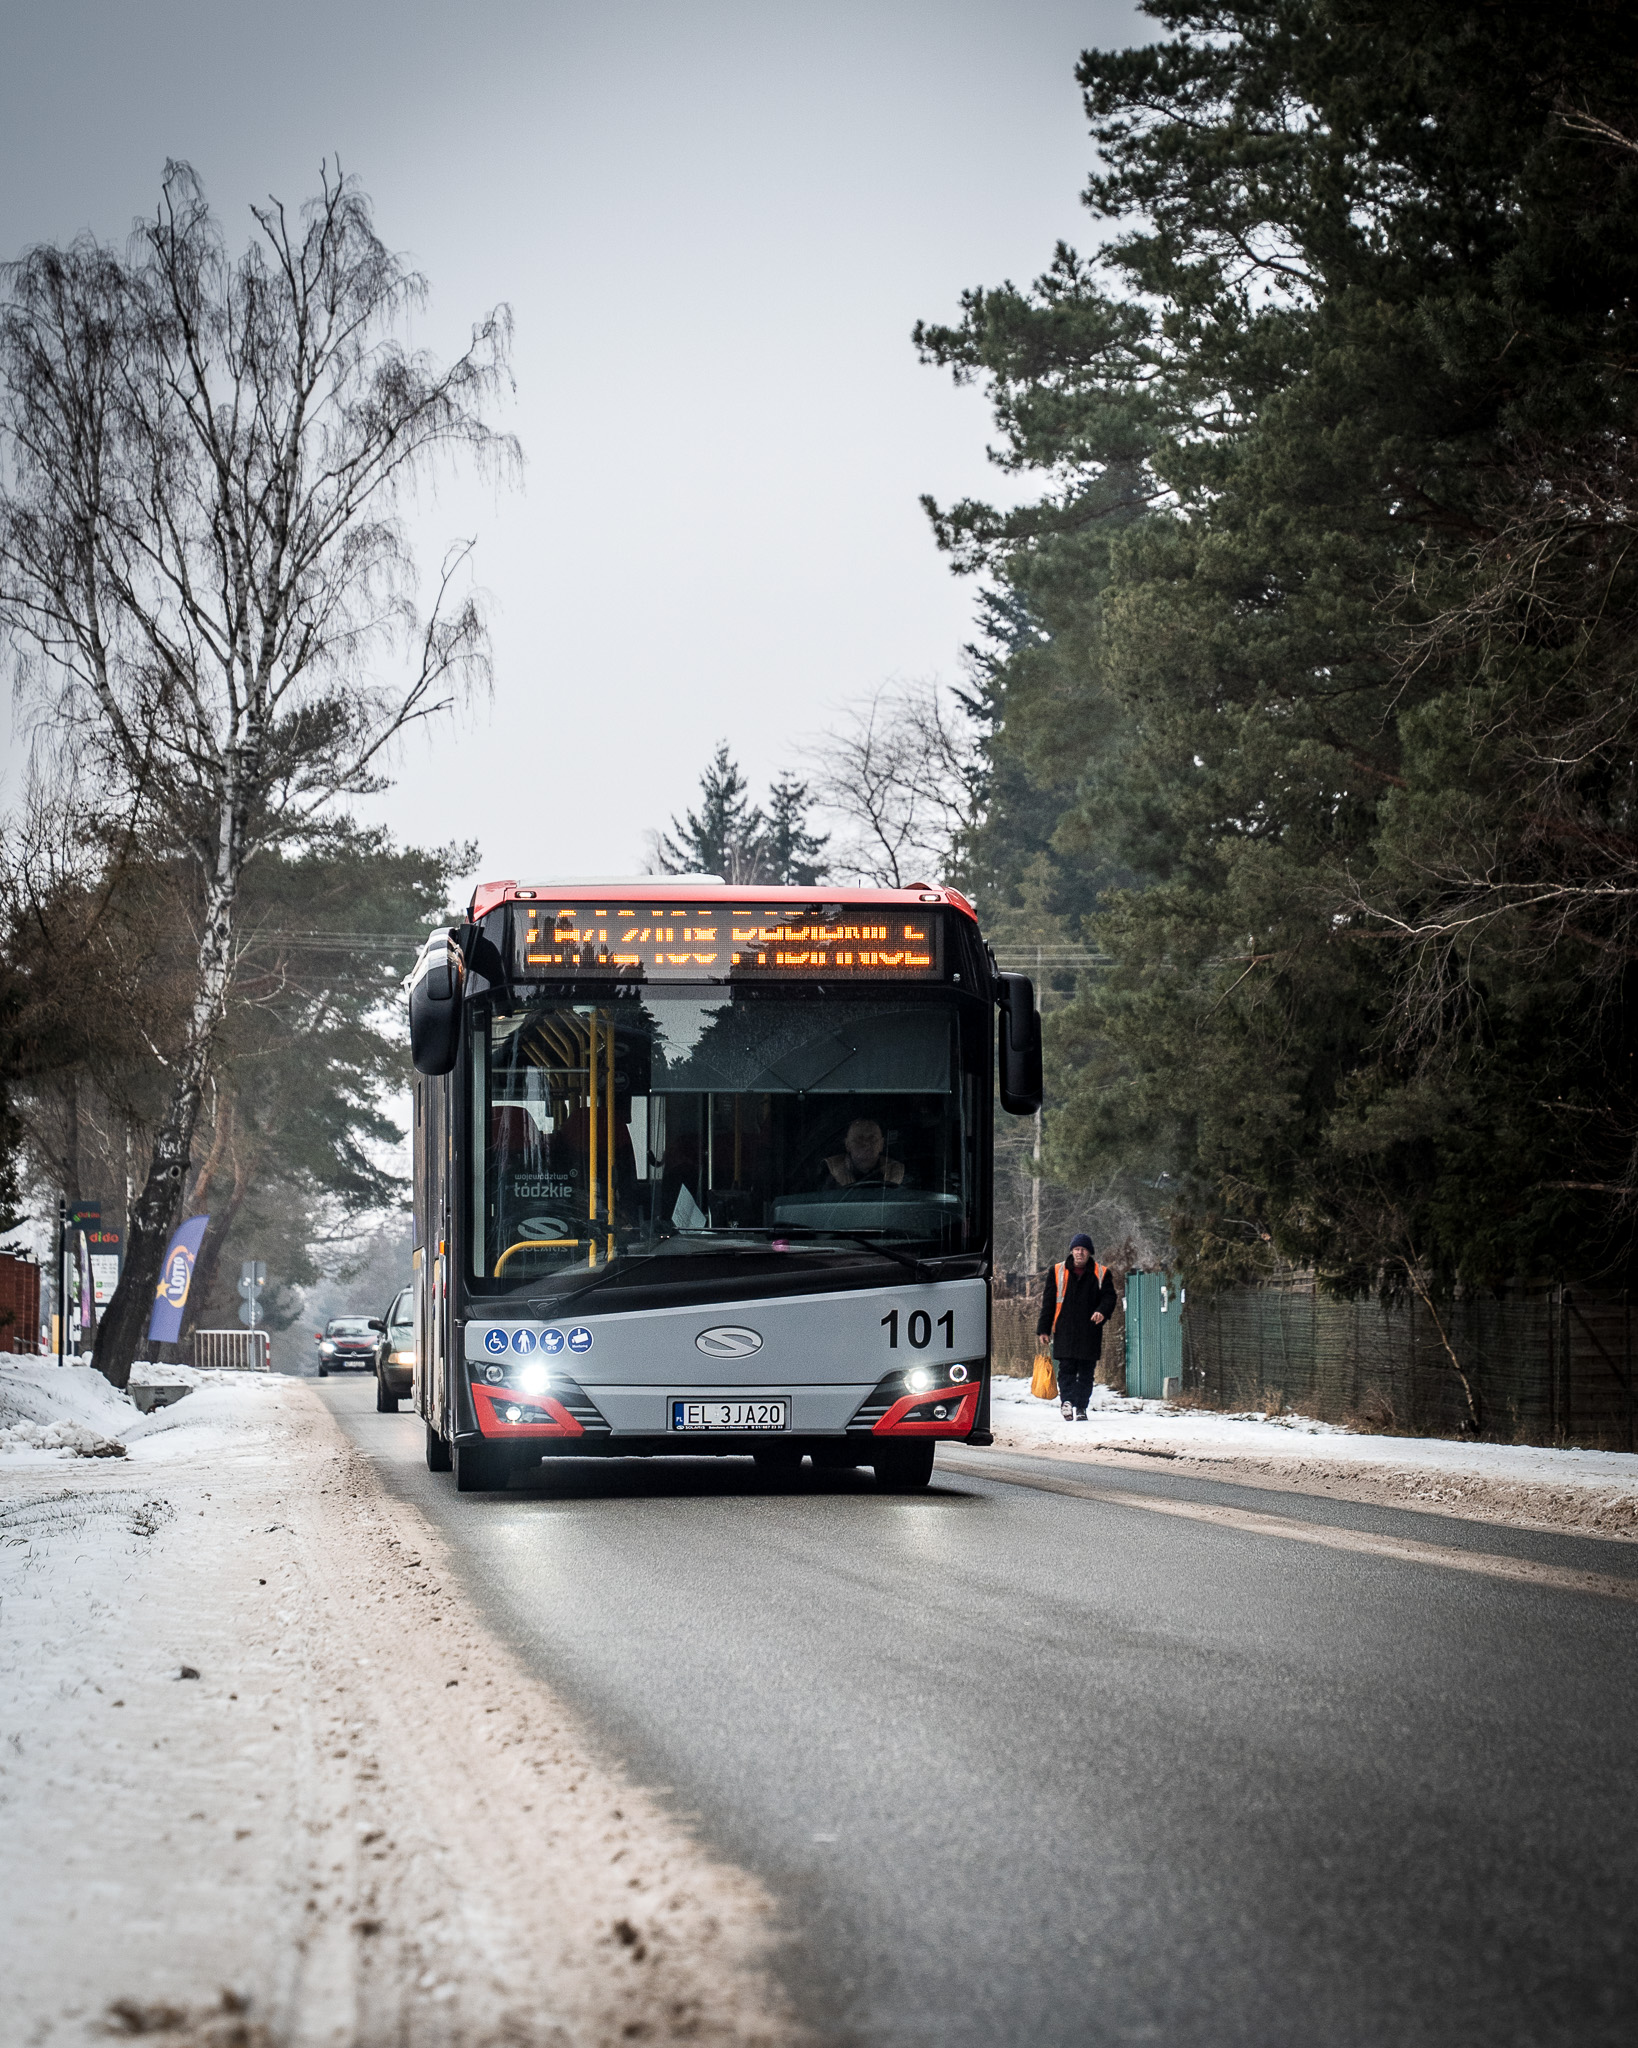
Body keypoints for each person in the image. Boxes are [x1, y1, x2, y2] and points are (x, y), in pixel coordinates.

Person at [1036, 1233, 1117, 1421]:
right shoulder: (1057, 1271)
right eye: (1077, 1249)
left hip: (1090, 1331)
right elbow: (1048, 1302)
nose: (1080, 1253)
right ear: (1072, 1251)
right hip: (1065, 1330)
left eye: (1083, 1250)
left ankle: (1081, 1407)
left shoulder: (1102, 1273)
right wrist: (1044, 1329)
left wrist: (1102, 1311)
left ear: (1090, 1252)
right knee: (1066, 1370)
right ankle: (1067, 1402)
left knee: (1086, 1373)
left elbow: (1109, 1297)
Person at [823, 1117, 906, 1188]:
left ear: (881, 1144)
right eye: (859, 1138)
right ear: (847, 1145)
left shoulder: (896, 1172)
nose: (866, 1144)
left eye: (872, 1138)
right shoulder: (830, 1171)